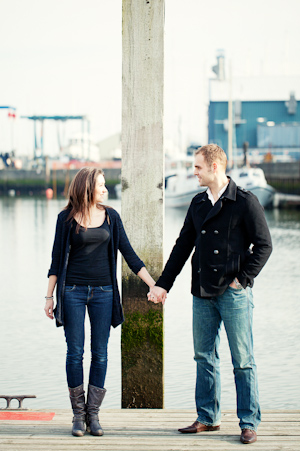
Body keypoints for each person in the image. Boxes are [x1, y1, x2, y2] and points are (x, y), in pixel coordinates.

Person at [148, 144, 272, 445]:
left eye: (198, 167)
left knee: (243, 360)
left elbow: (264, 246)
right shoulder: (198, 204)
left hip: (234, 295)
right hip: (201, 292)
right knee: (204, 357)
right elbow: (182, 246)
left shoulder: (244, 201)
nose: (194, 172)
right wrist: (163, 284)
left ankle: (248, 422)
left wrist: (241, 280)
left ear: (215, 167)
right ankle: (207, 417)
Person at [45, 167, 156, 437]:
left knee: (101, 353)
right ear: (87, 187)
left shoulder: (111, 217)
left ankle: (93, 415)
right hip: (72, 291)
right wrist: (49, 296)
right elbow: (56, 260)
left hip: (104, 292)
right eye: (101, 185)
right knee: (75, 353)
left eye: (105, 185)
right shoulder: (66, 218)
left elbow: (129, 254)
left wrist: (154, 284)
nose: (105, 189)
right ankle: (77, 415)